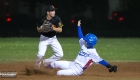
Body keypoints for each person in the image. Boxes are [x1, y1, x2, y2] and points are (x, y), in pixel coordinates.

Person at [45, 20, 118, 76]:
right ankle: (42, 72)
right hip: (72, 64)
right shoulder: (84, 44)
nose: (84, 40)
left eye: (86, 40)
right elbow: (80, 36)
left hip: (77, 70)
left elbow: (101, 61)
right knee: (54, 63)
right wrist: (78, 26)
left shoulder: (93, 53)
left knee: (59, 73)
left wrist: (110, 66)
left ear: (89, 42)